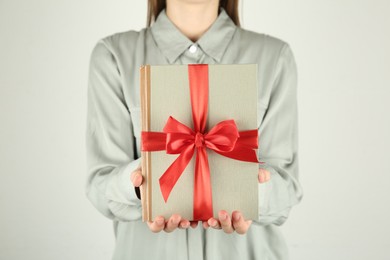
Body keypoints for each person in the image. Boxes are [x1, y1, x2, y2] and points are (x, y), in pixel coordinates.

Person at [85, 0, 303, 259]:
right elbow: (100, 183)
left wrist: (252, 197)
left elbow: (287, 190)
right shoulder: (113, 55)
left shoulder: (274, 56)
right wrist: (141, 188)